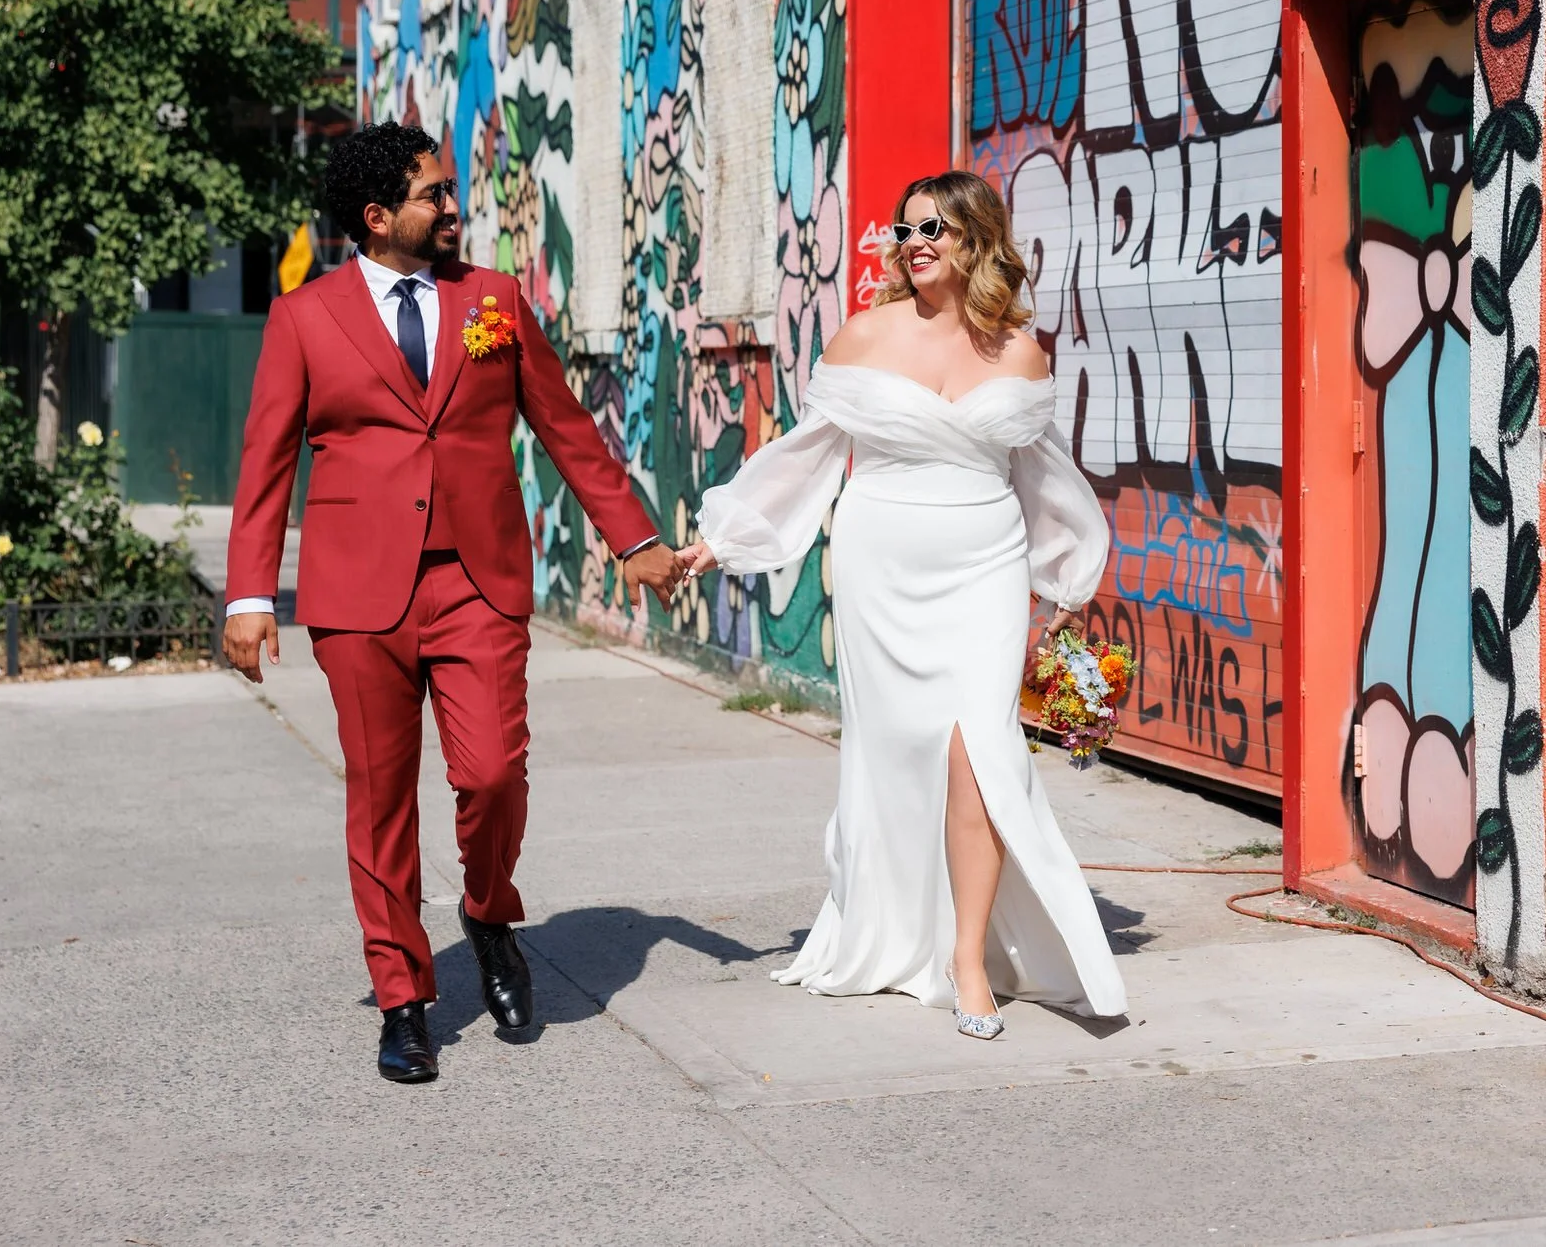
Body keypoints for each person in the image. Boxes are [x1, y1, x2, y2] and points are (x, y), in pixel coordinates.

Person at [222, 121, 685, 1084]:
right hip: (359, 597)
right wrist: (251, 593)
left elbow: (564, 427)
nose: (453, 206)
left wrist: (634, 537)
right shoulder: (305, 317)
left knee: (491, 773)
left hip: (478, 581)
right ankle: (403, 996)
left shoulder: (495, 300)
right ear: (377, 216)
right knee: (381, 798)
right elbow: (265, 460)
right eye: (434, 193)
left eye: (449, 190)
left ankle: (488, 912)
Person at [677, 171, 1125, 1036]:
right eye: (906, 227)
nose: (916, 241)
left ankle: (966, 963)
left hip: (985, 562)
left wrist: (1066, 579)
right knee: (897, 758)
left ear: (977, 238)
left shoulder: (1020, 352)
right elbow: (805, 456)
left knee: (978, 751)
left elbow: (1044, 475)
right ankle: (894, 927)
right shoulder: (861, 336)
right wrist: (723, 538)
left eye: (936, 227)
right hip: (884, 563)